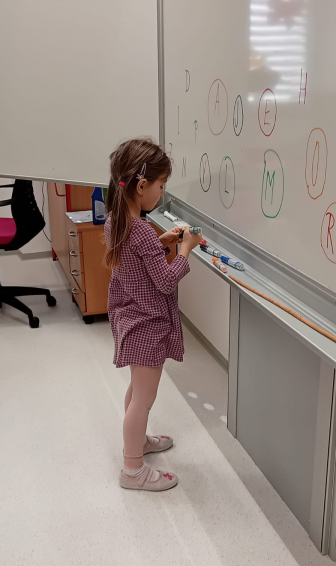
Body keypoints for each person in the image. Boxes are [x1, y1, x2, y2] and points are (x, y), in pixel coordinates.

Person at [104, 138, 202, 491]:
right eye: (161, 186)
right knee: (143, 400)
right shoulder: (142, 230)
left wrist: (163, 243)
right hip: (146, 324)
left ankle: (139, 441)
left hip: (129, 317)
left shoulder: (117, 221)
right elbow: (165, 281)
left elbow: (136, 256)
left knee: (137, 390)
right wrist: (185, 250)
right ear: (142, 185)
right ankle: (132, 471)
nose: (162, 193)